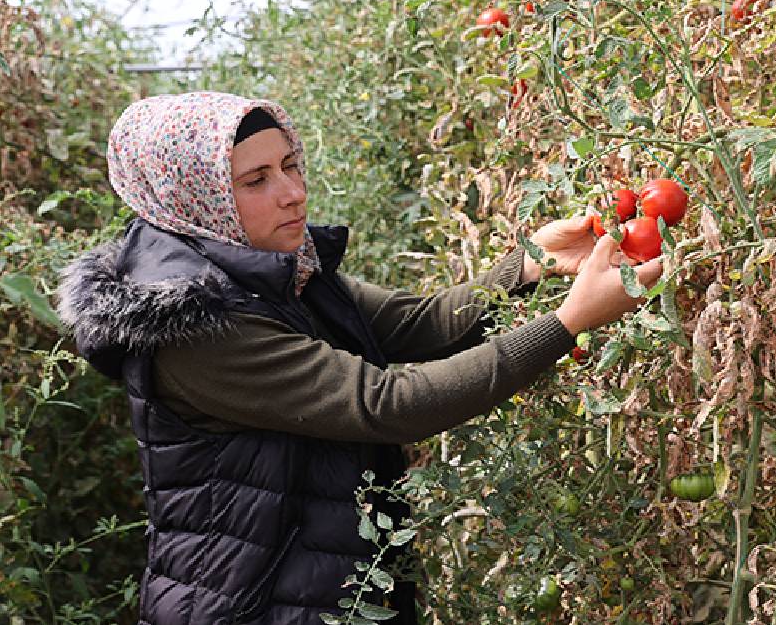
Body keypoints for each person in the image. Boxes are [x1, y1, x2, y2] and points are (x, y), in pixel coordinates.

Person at [55, 91, 662, 624]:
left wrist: (531, 263)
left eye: (291, 164)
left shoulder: (281, 269)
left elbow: (421, 324)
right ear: (195, 196)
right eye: (256, 180)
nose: (293, 194)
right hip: (249, 602)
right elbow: (386, 405)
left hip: (319, 585)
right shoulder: (196, 327)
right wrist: (566, 324)